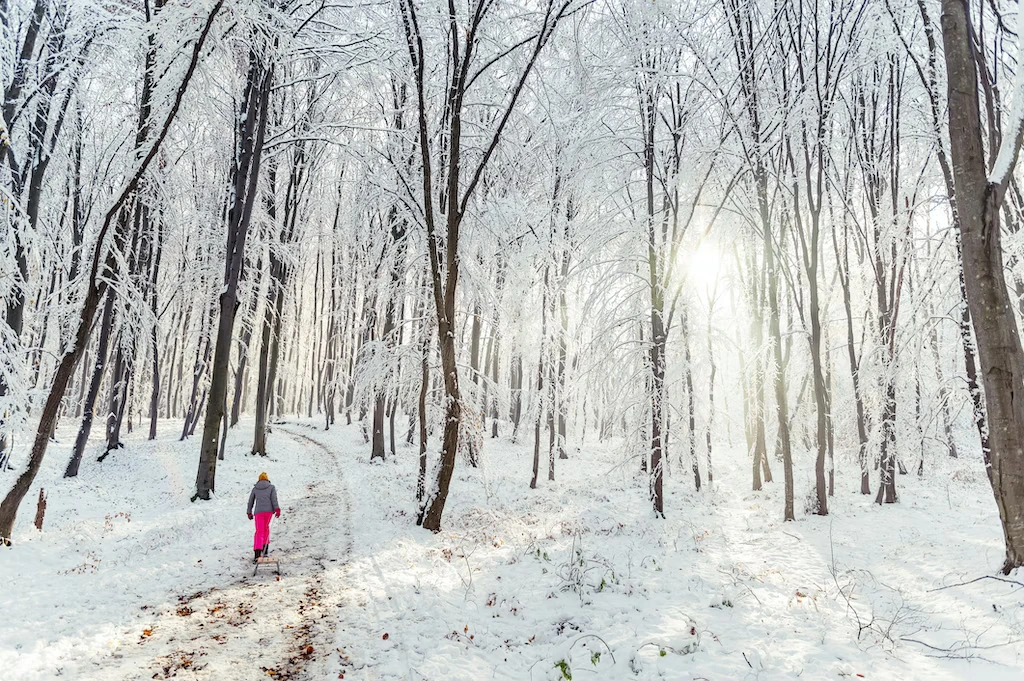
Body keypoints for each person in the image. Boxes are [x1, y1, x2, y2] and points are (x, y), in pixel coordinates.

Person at [247, 472, 280, 563]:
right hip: (269, 512)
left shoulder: (255, 488)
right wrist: (277, 509)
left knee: (259, 531)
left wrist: (249, 512)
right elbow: (274, 499)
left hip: (259, 512)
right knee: (266, 529)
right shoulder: (271, 487)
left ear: (259, 480)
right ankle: (265, 550)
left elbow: (250, 501)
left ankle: (257, 554)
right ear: (267, 479)